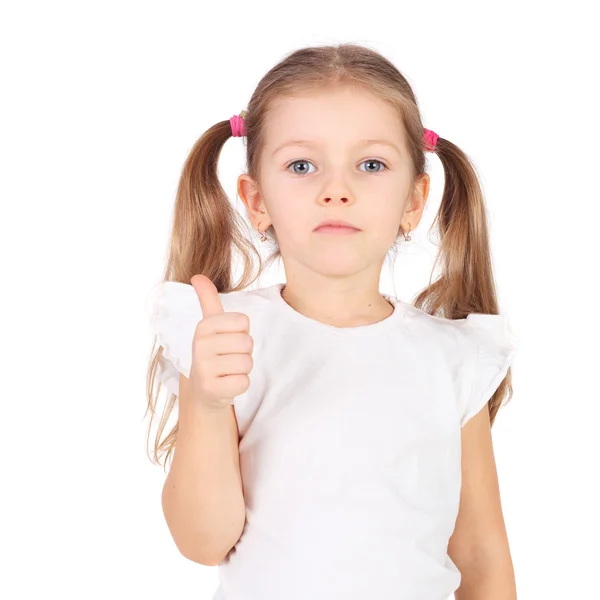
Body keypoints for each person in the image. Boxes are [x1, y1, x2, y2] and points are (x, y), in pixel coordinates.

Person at [144, 43, 519, 600]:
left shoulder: (454, 357)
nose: (336, 190)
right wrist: (205, 402)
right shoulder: (227, 337)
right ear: (256, 200)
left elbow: (482, 557)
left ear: (414, 201)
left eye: (371, 165)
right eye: (301, 165)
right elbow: (203, 542)